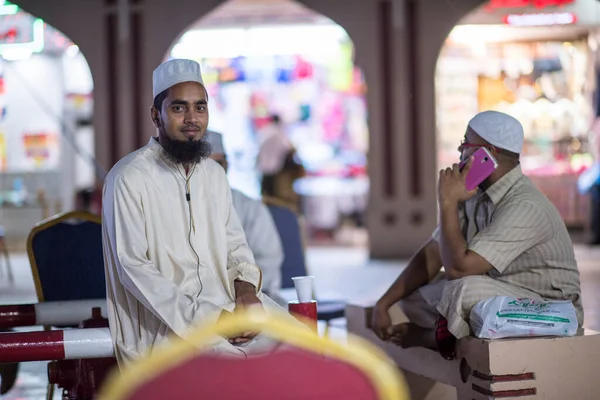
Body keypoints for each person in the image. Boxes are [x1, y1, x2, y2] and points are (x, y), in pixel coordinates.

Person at [102, 59, 299, 367]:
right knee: (245, 373)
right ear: (156, 115)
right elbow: (134, 268)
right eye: (179, 108)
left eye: (200, 107)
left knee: (305, 347)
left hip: (229, 310)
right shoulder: (128, 178)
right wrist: (212, 318)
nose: (192, 118)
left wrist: (246, 293)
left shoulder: (213, 175)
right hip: (164, 329)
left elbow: (236, 247)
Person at [371, 110, 583, 360]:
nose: (460, 156)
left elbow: (459, 269)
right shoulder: (474, 194)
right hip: (502, 297)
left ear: (488, 154)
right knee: (415, 294)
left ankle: (431, 338)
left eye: (465, 146)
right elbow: (433, 253)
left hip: (552, 311)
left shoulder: (526, 205)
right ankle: (447, 333)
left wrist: (447, 202)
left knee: (463, 288)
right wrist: (383, 304)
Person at [205, 130, 284, 296]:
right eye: (205, 165)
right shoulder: (180, 206)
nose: (213, 172)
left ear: (227, 165)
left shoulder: (249, 207)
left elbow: (268, 261)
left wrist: (242, 290)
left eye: (217, 164)